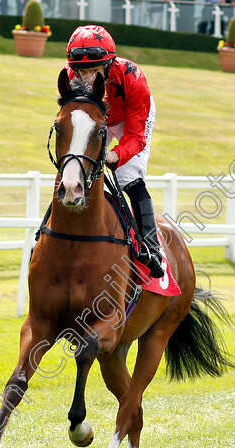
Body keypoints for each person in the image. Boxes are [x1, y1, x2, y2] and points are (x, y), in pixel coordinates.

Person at [62, 25, 165, 278]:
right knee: (75, 168)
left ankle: (151, 247)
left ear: (108, 65)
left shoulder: (133, 76)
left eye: (94, 71)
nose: (86, 79)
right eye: (82, 72)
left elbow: (136, 136)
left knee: (128, 176)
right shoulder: (68, 75)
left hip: (131, 117)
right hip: (99, 117)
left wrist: (115, 155)